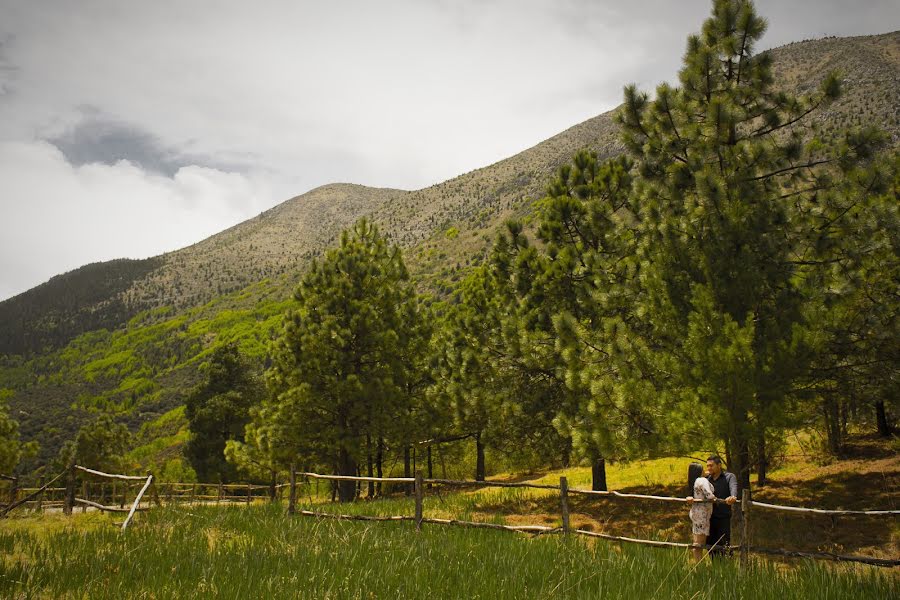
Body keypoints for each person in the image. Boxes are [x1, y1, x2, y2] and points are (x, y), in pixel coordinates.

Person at [705, 455, 738, 556]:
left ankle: (727, 569)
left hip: (723, 517)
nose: (709, 468)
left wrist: (732, 497)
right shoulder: (706, 479)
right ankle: (715, 569)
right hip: (709, 518)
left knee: (725, 546)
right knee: (710, 547)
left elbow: (733, 487)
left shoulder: (729, 477)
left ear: (719, 465)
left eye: (711, 465)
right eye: (707, 466)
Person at [685, 462, 716, 561]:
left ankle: (697, 563)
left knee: (697, 539)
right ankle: (698, 564)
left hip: (696, 512)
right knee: (699, 541)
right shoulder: (702, 480)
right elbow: (708, 494)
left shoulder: (695, 481)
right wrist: (714, 498)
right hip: (702, 514)